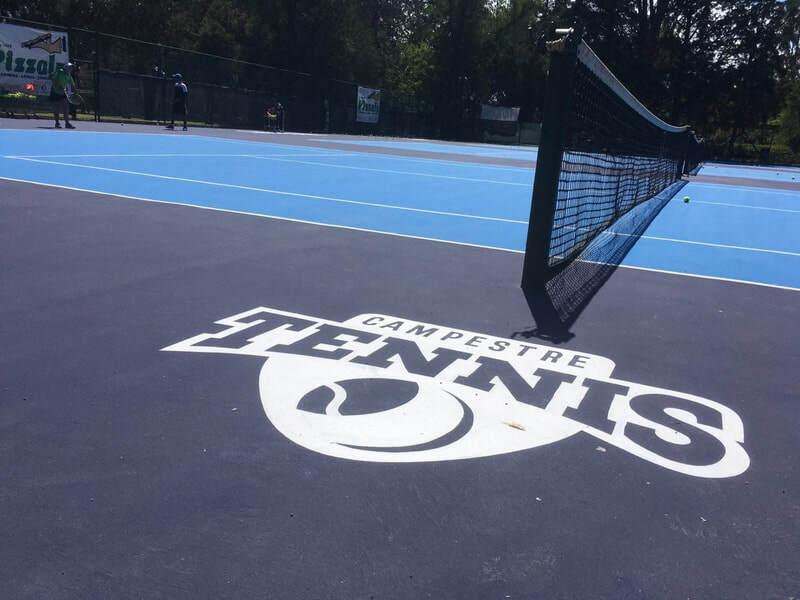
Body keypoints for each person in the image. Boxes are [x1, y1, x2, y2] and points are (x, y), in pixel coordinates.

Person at [49, 62, 76, 129]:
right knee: (56, 108)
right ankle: (57, 123)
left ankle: (67, 123)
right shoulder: (59, 71)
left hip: (63, 92)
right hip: (54, 92)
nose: (71, 69)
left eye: (71, 67)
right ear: (65, 67)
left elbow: (72, 84)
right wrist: (56, 85)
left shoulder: (68, 75)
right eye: (69, 67)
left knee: (66, 107)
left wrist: (75, 90)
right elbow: (51, 76)